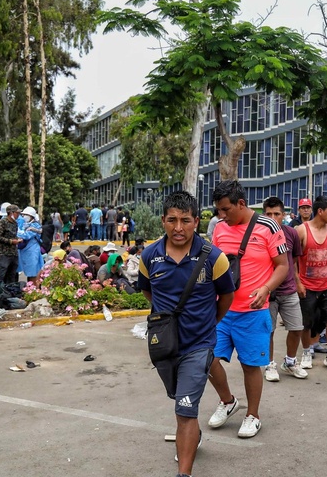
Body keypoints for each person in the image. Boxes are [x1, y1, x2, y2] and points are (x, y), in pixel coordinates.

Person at [139, 191, 235, 477]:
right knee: (180, 401)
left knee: (184, 410)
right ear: (163, 221)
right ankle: (193, 436)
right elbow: (148, 292)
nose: (178, 227)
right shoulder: (149, 256)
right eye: (172, 220)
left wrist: (208, 324)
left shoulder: (213, 258)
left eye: (185, 220)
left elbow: (226, 297)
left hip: (199, 345)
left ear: (196, 222)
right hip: (165, 346)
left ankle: (184, 473)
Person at [208, 180, 288, 439]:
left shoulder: (268, 226)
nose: (221, 215)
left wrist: (266, 288)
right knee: (207, 359)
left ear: (241, 204)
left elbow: (282, 266)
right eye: (219, 210)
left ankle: (253, 415)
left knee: (250, 365)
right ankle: (228, 401)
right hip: (222, 311)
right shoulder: (219, 228)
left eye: (225, 209)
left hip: (253, 311)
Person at [295, 195, 327, 372]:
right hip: (307, 286)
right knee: (306, 323)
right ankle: (306, 352)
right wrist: (297, 282)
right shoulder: (301, 230)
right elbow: (292, 259)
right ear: (320, 211)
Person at [261, 196, 308, 381]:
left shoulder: (291, 233)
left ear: (284, 215)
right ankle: (269, 365)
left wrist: (297, 282)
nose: (273, 217)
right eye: (269, 214)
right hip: (267, 292)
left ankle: (289, 362)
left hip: (288, 290)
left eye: (277, 214)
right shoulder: (258, 234)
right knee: (269, 331)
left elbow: (294, 260)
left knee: (297, 328)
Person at [0, 204, 23, 307]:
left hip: (13, 252)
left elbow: (14, 235)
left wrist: (17, 239)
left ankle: (10, 296)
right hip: (4, 253)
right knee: (0, 275)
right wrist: (10, 241)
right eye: (17, 213)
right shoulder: (2, 222)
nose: (18, 215)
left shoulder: (15, 224)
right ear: (11, 213)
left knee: (12, 275)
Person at [17, 206, 43, 283]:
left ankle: (34, 289)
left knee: (34, 272)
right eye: (23, 215)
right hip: (26, 251)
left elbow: (27, 236)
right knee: (29, 272)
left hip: (32, 250)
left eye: (26, 215)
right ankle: (30, 288)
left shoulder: (35, 226)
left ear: (31, 216)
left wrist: (17, 233)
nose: (24, 216)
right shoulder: (25, 224)